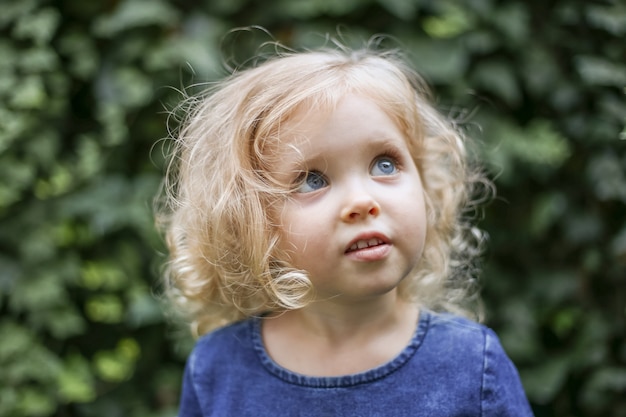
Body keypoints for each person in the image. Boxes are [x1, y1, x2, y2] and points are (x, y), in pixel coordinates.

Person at [157, 37, 534, 416]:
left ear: (425, 184)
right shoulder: (218, 368)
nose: (361, 202)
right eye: (312, 180)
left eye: (385, 165)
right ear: (249, 223)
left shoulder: (472, 365)